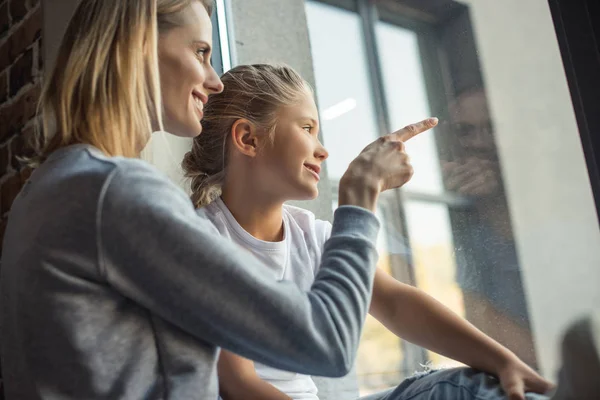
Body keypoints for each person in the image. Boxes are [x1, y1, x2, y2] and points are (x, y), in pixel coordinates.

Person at [0, 1, 436, 399]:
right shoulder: (113, 193)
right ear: (138, 45)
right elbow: (330, 343)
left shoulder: (49, 186)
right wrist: (359, 199)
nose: (213, 82)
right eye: (201, 53)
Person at [182, 64, 554, 400]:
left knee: (470, 388)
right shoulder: (200, 240)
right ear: (248, 139)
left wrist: (504, 362)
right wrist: (361, 194)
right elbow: (237, 383)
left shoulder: (311, 235)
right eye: (308, 129)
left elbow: (396, 303)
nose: (323, 150)